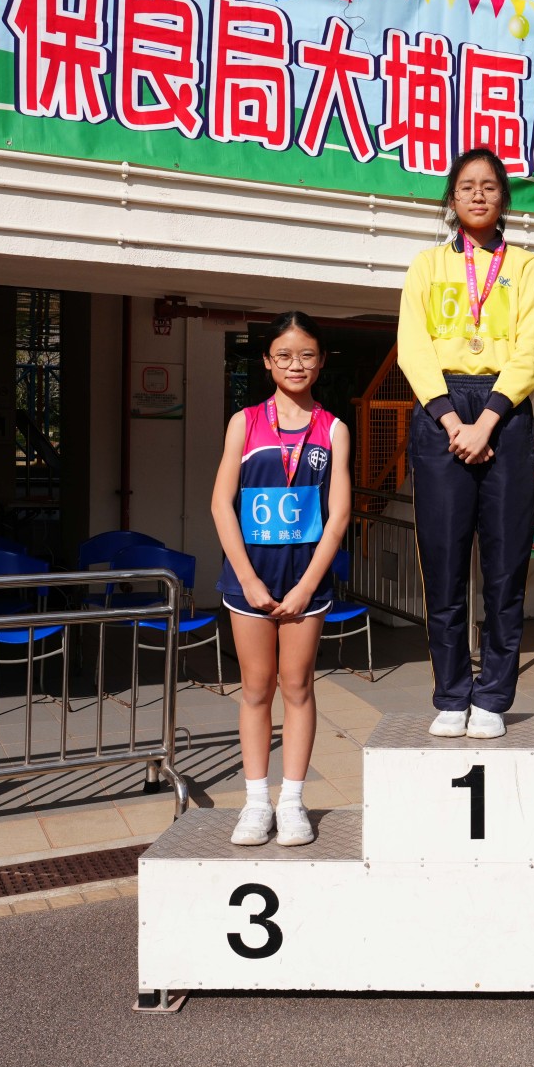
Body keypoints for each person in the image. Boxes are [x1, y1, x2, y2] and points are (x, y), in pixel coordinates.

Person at [397, 149, 534, 739]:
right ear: (452, 197)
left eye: (489, 186)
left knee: (506, 567)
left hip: (503, 412)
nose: (479, 195)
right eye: (467, 186)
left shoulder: (526, 267)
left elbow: (531, 350)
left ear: (503, 198)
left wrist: (486, 422)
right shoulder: (427, 265)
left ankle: (493, 697)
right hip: (441, 411)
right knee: (443, 565)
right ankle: (451, 694)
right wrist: (450, 420)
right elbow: (413, 346)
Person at [212, 312, 352, 848]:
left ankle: (292, 802)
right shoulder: (244, 422)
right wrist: (247, 580)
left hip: (304, 583)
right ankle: (255, 803)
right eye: (285, 355)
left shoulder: (333, 429)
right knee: (255, 690)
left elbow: (338, 516)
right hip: (249, 582)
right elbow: (221, 504)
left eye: (307, 355)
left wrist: (306, 586)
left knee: (297, 686)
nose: (296, 365)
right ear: (267, 361)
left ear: (321, 361)